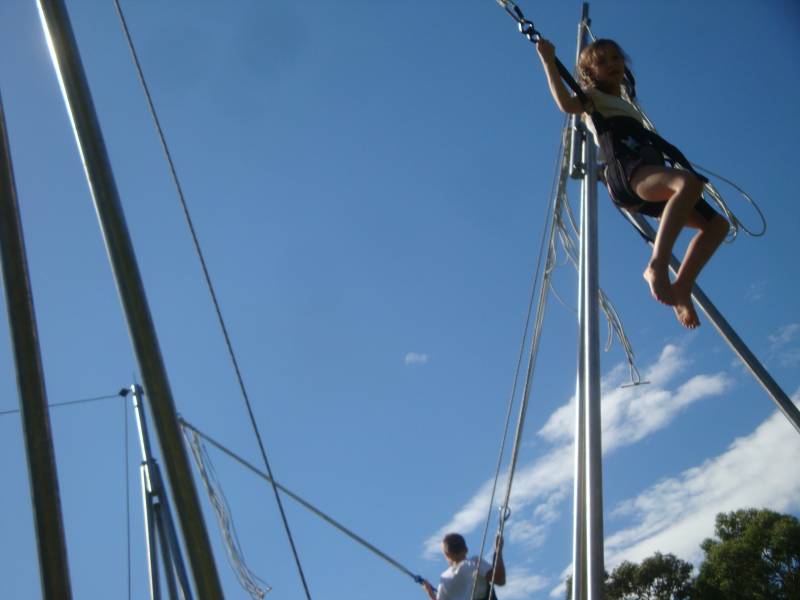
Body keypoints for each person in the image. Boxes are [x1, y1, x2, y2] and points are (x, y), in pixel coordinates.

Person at [536, 37, 729, 329]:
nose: (612, 64)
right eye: (602, 62)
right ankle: (657, 265)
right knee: (688, 185)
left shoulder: (626, 102)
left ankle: (683, 287)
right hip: (627, 172)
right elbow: (565, 104)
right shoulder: (592, 98)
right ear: (589, 74)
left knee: (717, 225)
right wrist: (549, 62)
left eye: (615, 58)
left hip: (647, 172)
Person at [420, 533, 506, 600]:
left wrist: (430, 592)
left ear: (447, 555)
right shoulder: (474, 563)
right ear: (466, 549)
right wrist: (498, 551)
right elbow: (500, 580)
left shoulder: (445, 578)